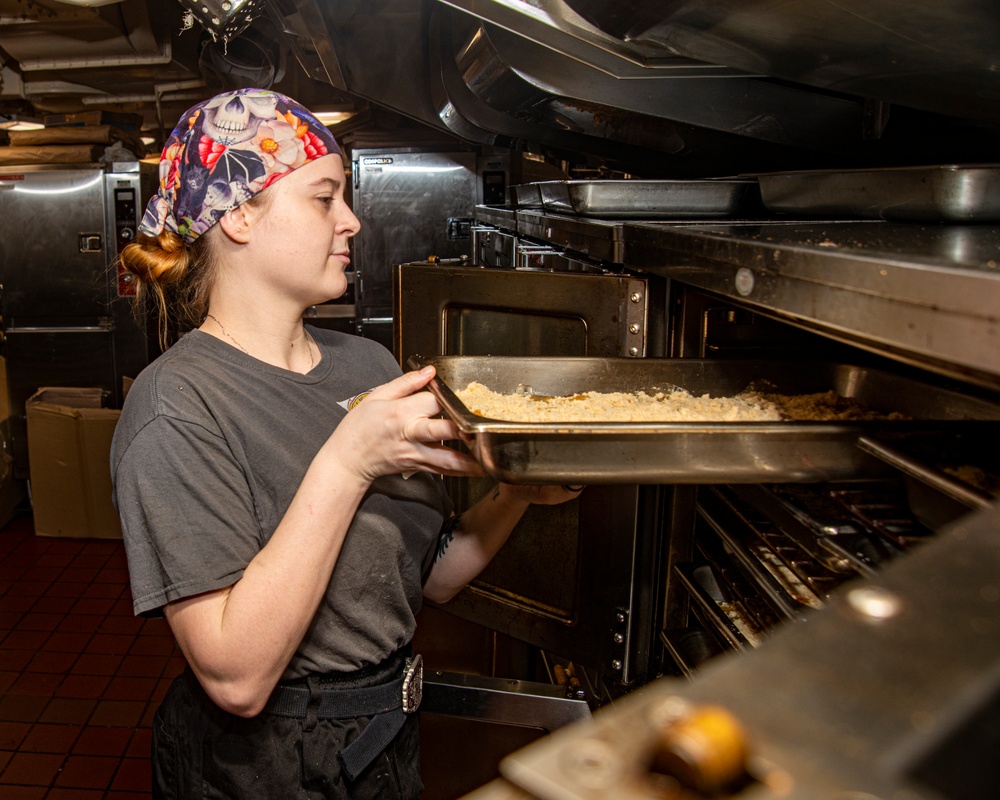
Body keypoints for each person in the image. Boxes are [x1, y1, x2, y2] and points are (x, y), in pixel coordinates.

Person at [110, 87, 581, 799]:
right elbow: (236, 678)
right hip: (265, 763)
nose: (352, 221)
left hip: (382, 737)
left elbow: (432, 578)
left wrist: (515, 488)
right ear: (239, 214)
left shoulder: (366, 365)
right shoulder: (177, 407)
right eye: (324, 198)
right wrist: (348, 460)